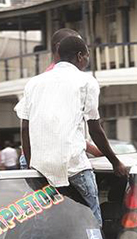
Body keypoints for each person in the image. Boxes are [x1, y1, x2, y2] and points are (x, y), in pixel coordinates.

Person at [15, 35, 129, 224]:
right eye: (87, 56)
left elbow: (25, 127)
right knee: (92, 216)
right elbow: (95, 128)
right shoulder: (86, 81)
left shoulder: (34, 83)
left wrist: (30, 164)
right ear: (80, 56)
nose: (87, 60)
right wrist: (115, 162)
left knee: (49, 219)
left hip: (40, 166)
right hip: (73, 164)